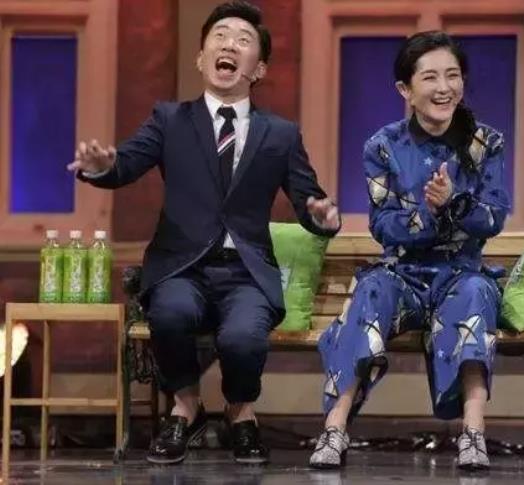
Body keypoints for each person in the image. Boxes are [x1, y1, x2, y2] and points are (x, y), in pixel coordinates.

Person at [67, 1, 340, 465]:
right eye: (220, 36)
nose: (229, 44)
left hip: (245, 272)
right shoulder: (169, 120)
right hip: (182, 267)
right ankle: (186, 406)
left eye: (243, 40)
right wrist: (102, 167)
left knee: (242, 339)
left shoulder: (280, 134)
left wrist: (322, 218)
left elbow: (308, 198)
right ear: (201, 58)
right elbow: (125, 163)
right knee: (170, 314)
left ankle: (240, 409)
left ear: (259, 68)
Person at [308, 31, 510, 471]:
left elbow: (494, 217)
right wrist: (430, 213)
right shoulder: (382, 147)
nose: (444, 87)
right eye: (430, 77)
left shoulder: (486, 143)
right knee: (371, 291)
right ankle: (335, 427)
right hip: (403, 274)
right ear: (405, 89)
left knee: (476, 294)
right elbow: (384, 227)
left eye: (453, 76)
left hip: (461, 272)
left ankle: (473, 433)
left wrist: (454, 202)